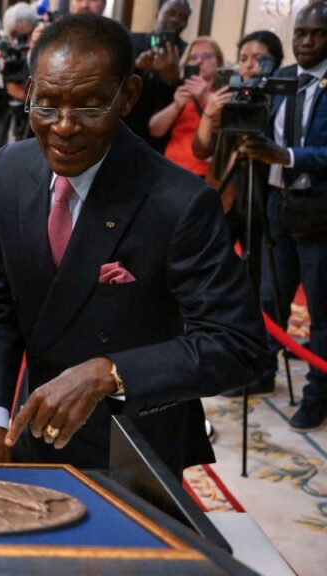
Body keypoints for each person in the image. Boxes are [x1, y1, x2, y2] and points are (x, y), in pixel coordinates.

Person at [0, 14, 266, 478]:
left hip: (132, 443)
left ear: (126, 97)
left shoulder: (179, 202)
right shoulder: (9, 170)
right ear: (29, 91)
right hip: (35, 431)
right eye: (46, 104)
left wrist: (111, 372)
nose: (63, 127)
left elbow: (238, 345)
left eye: (88, 107)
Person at [239, 2, 327, 429]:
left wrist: (286, 155)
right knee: (270, 300)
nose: (306, 41)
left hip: (319, 212)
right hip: (275, 203)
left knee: (321, 312)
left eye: (317, 33)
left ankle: (317, 395)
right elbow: (259, 127)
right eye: (300, 33)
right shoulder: (281, 79)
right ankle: (262, 372)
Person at [192, 30, 283, 295]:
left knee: (257, 268)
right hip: (226, 187)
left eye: (258, 58)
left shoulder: (279, 101)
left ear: (274, 63)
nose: (249, 64)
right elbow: (200, 150)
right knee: (209, 263)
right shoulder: (228, 95)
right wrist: (209, 114)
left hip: (263, 192)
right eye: (243, 58)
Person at [149, 37, 224, 177]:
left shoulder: (223, 94)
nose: (199, 61)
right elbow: (154, 130)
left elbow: (225, 130)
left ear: (218, 62)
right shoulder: (180, 90)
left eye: (206, 56)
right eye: (193, 57)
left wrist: (205, 97)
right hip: (170, 167)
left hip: (203, 172)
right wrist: (176, 106)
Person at [125, 0, 192, 151]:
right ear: (157, 14)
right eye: (171, 13)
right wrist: (138, 68)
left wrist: (170, 79)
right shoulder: (133, 41)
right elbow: (117, 81)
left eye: (183, 17)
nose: (176, 20)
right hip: (128, 122)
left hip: (162, 136)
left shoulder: (188, 52)